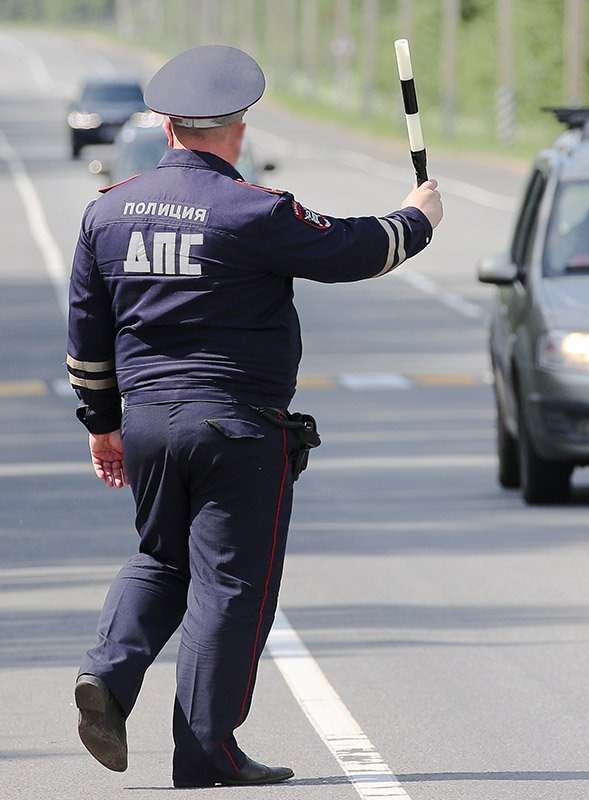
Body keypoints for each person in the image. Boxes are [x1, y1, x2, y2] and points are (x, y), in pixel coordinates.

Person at [65, 45, 443, 788]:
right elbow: (353, 250)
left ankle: (107, 676)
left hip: (146, 424)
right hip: (235, 426)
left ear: (167, 125)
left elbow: (86, 334)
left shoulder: (105, 213)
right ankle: (207, 752)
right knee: (230, 587)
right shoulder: (254, 211)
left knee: (158, 559)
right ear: (237, 130)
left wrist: (101, 425)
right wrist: (418, 217)